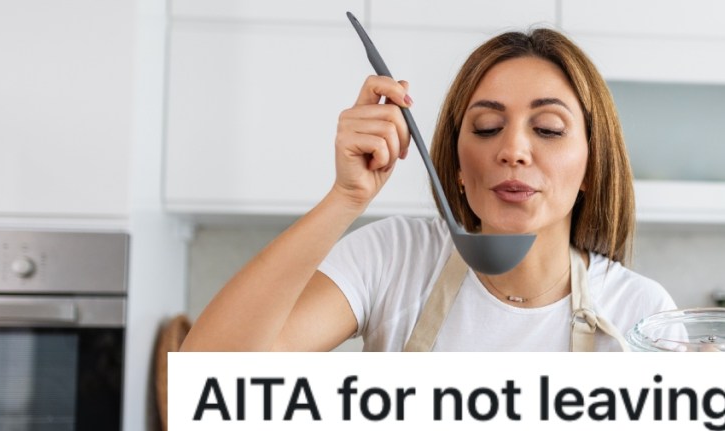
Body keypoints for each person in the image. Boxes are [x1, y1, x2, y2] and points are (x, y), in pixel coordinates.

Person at [180, 27, 675, 353]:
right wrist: (344, 199)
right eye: (485, 128)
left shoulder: (642, 315)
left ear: (592, 165)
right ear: (458, 165)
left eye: (547, 128)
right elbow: (207, 385)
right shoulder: (394, 259)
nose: (514, 150)